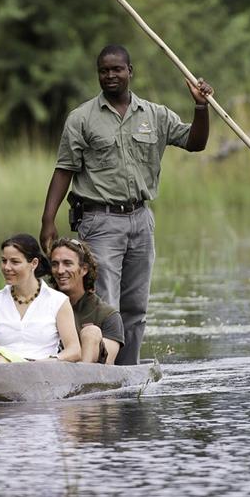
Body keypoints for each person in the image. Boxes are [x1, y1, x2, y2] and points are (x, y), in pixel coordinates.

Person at [40, 44, 212, 365]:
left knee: (136, 305)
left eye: (117, 69)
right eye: (104, 70)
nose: (110, 75)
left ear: (130, 72)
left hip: (141, 219)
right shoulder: (82, 118)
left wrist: (201, 108)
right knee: (105, 304)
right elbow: (64, 170)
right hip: (99, 220)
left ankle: (126, 372)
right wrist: (47, 220)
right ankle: (99, 371)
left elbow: (195, 143)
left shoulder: (155, 115)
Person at [0, 233, 81, 365]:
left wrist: (47, 362)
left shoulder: (58, 301)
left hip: (43, 372)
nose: (6, 267)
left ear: (34, 263)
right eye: (4, 260)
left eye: (15, 262)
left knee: (0, 360)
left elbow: (74, 350)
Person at [49, 237, 124, 364]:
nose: (60, 271)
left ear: (84, 269)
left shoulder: (108, 315)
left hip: (90, 375)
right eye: (55, 264)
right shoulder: (42, 306)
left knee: (91, 332)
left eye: (67, 263)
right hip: (45, 371)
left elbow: (108, 368)